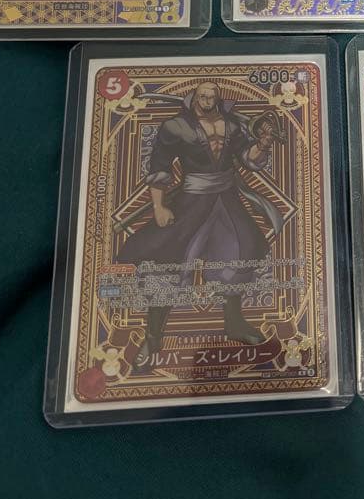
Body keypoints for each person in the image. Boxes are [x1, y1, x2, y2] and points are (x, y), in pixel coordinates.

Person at [118, 82, 284, 361]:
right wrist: (159, 206)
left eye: (212, 96)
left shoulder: (232, 126)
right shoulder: (175, 127)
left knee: (239, 255)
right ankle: (153, 338)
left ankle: (234, 324)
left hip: (226, 200)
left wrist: (262, 144)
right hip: (191, 202)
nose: (208, 100)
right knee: (168, 261)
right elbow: (160, 166)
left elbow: (247, 159)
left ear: (218, 98)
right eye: (203, 96)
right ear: (194, 98)